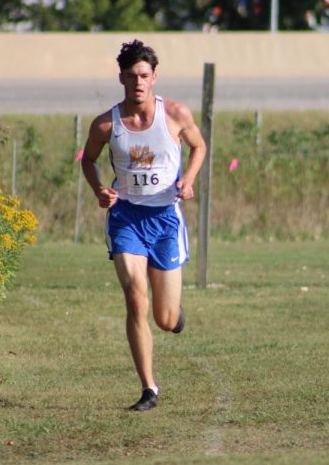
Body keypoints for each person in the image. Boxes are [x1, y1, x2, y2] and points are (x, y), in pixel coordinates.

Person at [81, 39, 207, 411]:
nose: (138, 82)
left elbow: (199, 147)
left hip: (166, 219)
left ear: (154, 78)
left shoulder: (177, 114)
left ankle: (174, 315)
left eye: (145, 76)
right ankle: (149, 389)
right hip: (126, 218)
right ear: (121, 77)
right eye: (132, 75)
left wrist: (189, 181)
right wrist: (99, 189)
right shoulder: (106, 124)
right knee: (135, 296)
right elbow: (87, 160)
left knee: (164, 319)